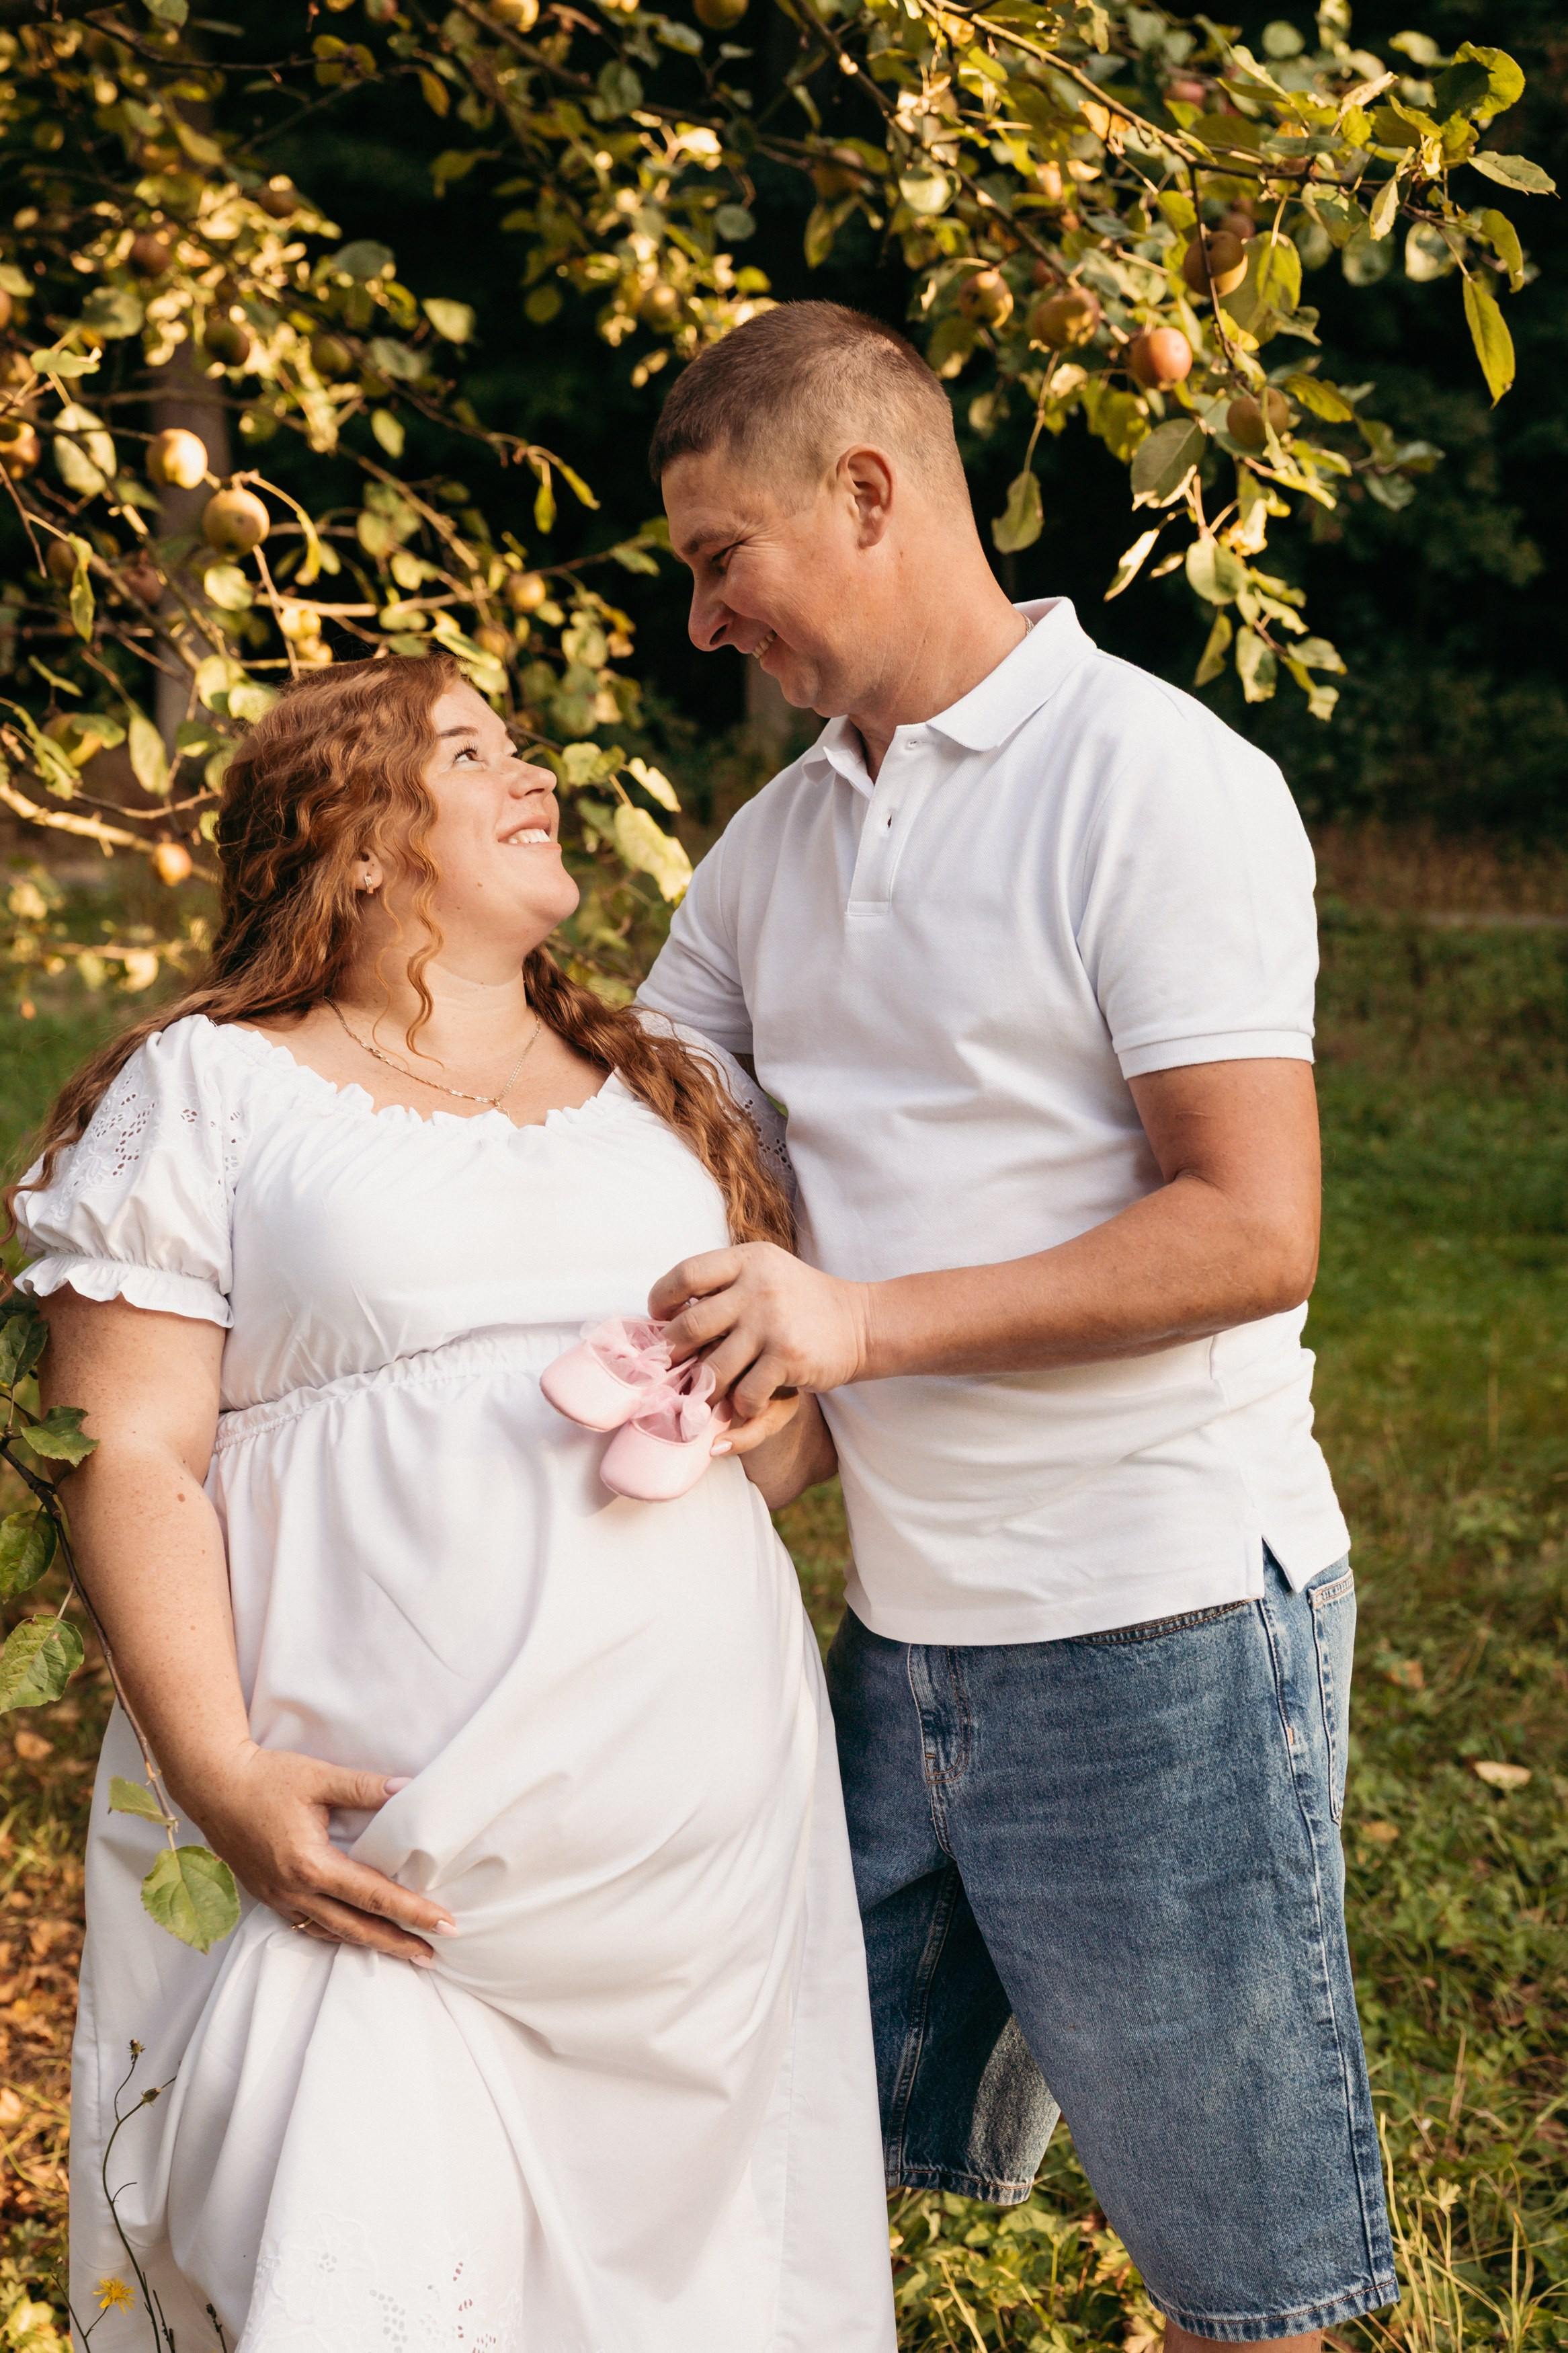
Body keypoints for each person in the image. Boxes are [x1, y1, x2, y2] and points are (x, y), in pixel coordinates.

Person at [636, 301, 1397, 2351]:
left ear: (865, 492)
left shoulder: (1154, 783)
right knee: (735, 2144)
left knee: (1251, 2280)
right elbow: (637, 1114)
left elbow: (1249, 1224)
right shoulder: (776, 841)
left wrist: (854, 1324)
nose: (703, 615)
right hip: (898, 1639)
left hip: (1147, 1621)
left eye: (723, 555)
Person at [10, 654, 895, 2352]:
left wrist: (777, 1398)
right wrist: (215, 1767)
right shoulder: (215, 1086)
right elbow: (126, 1447)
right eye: (472, 751)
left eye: (524, 744)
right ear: (352, 841)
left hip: (684, 1857)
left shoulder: (664, 1098)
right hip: (365, 1858)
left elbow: (773, 1454)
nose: (533, 773)